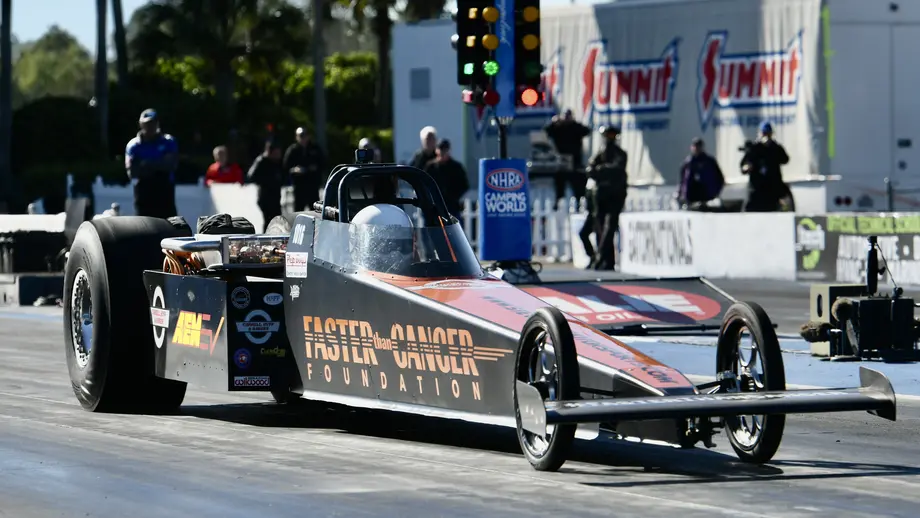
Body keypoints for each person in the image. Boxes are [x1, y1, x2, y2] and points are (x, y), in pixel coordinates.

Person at [585, 125, 628, 271]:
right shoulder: (600, 153)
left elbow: (617, 169)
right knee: (600, 227)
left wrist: (601, 170)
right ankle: (606, 261)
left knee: (609, 228)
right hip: (601, 195)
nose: (609, 139)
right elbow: (590, 170)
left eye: (611, 136)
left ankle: (601, 257)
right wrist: (601, 171)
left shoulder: (620, 154)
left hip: (615, 195)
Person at [125, 109, 179, 219]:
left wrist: (145, 164)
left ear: (157, 124)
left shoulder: (168, 142)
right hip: (144, 194)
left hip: (165, 193)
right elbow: (133, 172)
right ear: (141, 124)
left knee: (169, 225)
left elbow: (171, 165)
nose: (150, 127)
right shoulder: (133, 145)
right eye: (146, 124)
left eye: (152, 124)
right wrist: (158, 164)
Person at [543, 108, 592, 205]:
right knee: (560, 185)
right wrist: (554, 122)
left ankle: (580, 203)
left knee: (578, 185)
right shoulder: (558, 128)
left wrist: (573, 123)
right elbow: (547, 131)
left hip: (575, 161)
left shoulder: (575, 128)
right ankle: (559, 203)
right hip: (561, 160)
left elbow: (586, 131)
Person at [740, 121, 790, 212]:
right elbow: (744, 166)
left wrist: (773, 146)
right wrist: (747, 167)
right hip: (757, 190)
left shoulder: (776, 148)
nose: (766, 136)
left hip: (772, 190)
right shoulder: (754, 148)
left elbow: (785, 159)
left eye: (768, 134)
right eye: (764, 133)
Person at [283, 127, 326, 212]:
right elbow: (286, 166)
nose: (303, 138)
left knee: (315, 210)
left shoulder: (315, 148)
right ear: (296, 137)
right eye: (300, 136)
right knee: (298, 210)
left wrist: (313, 168)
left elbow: (323, 163)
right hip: (299, 185)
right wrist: (294, 169)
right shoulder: (293, 150)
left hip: (312, 184)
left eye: (305, 135)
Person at [424, 139, 469, 220]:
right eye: (441, 149)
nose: (443, 152)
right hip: (434, 207)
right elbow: (425, 184)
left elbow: (464, 185)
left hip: (452, 207)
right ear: (436, 150)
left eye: (445, 150)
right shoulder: (430, 167)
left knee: (453, 230)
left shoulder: (456, 167)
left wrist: (453, 196)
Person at [247, 141, 285, 231]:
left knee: (277, 220)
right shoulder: (261, 161)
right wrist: (267, 180)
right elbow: (251, 176)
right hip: (265, 197)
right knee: (268, 220)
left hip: (275, 197)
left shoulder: (278, 162)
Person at [678, 137, 725, 209]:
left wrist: (716, 192)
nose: (697, 148)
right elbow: (683, 180)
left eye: (698, 146)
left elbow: (719, 177)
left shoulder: (709, 161)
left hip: (707, 195)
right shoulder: (688, 162)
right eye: (695, 146)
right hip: (691, 196)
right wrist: (680, 192)